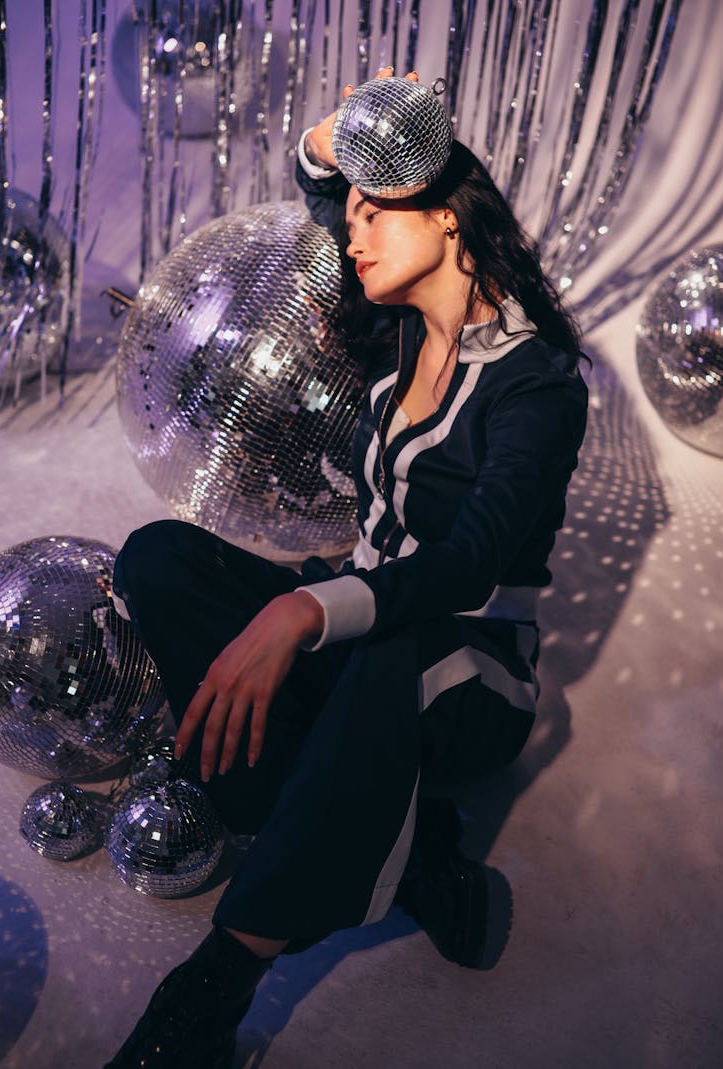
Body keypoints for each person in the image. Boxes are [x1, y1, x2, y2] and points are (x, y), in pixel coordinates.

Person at [104, 67, 589, 1068]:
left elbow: (471, 562)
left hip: (467, 667)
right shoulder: (399, 327)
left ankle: (215, 984)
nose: (353, 233)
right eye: (353, 215)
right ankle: (413, 853)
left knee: (387, 650)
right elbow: (325, 187)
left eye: (378, 213)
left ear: (448, 218)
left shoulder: (538, 381)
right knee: (160, 559)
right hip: (358, 621)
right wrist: (330, 148)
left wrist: (299, 616)